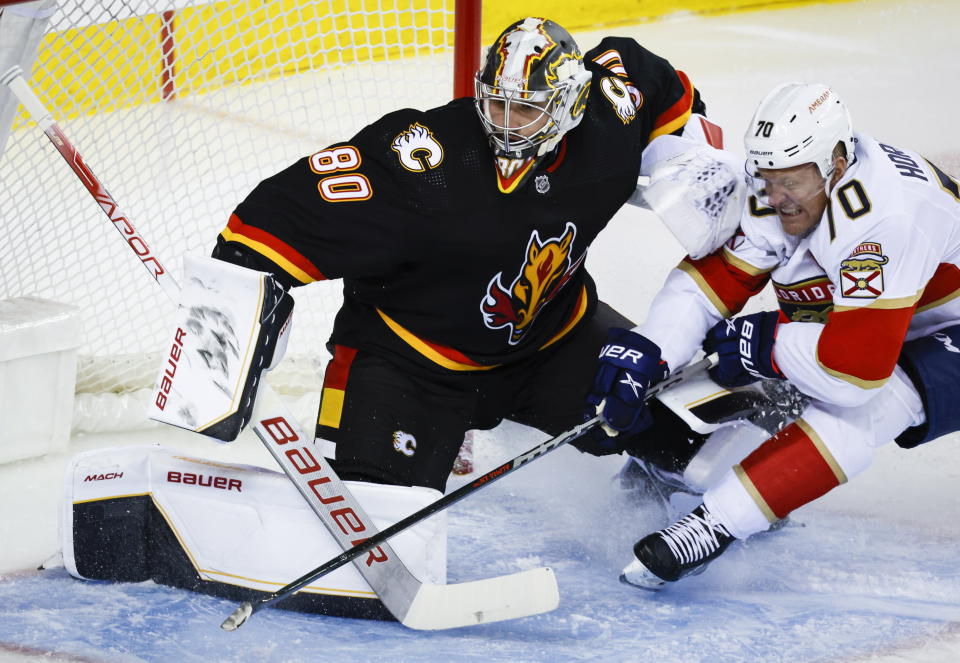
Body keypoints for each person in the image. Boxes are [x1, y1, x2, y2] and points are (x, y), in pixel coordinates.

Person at [210, 16, 730, 493]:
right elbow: (268, 219)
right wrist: (226, 335)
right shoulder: (424, 160)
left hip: (554, 341)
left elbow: (653, 78)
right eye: (497, 102)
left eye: (526, 108)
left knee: (698, 430)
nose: (506, 123)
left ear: (572, 102)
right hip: (413, 365)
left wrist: (690, 157)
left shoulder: (608, 115)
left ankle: (651, 480)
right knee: (372, 513)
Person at [588, 81, 960, 589]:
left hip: (941, 330)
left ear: (836, 162)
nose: (776, 197)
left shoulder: (882, 218)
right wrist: (652, 349)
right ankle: (681, 465)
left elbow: (856, 374)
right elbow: (714, 282)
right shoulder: (782, 182)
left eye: (791, 182)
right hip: (881, 317)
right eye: (767, 179)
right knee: (754, 360)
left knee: (869, 406)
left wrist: (768, 345)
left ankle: (714, 526)